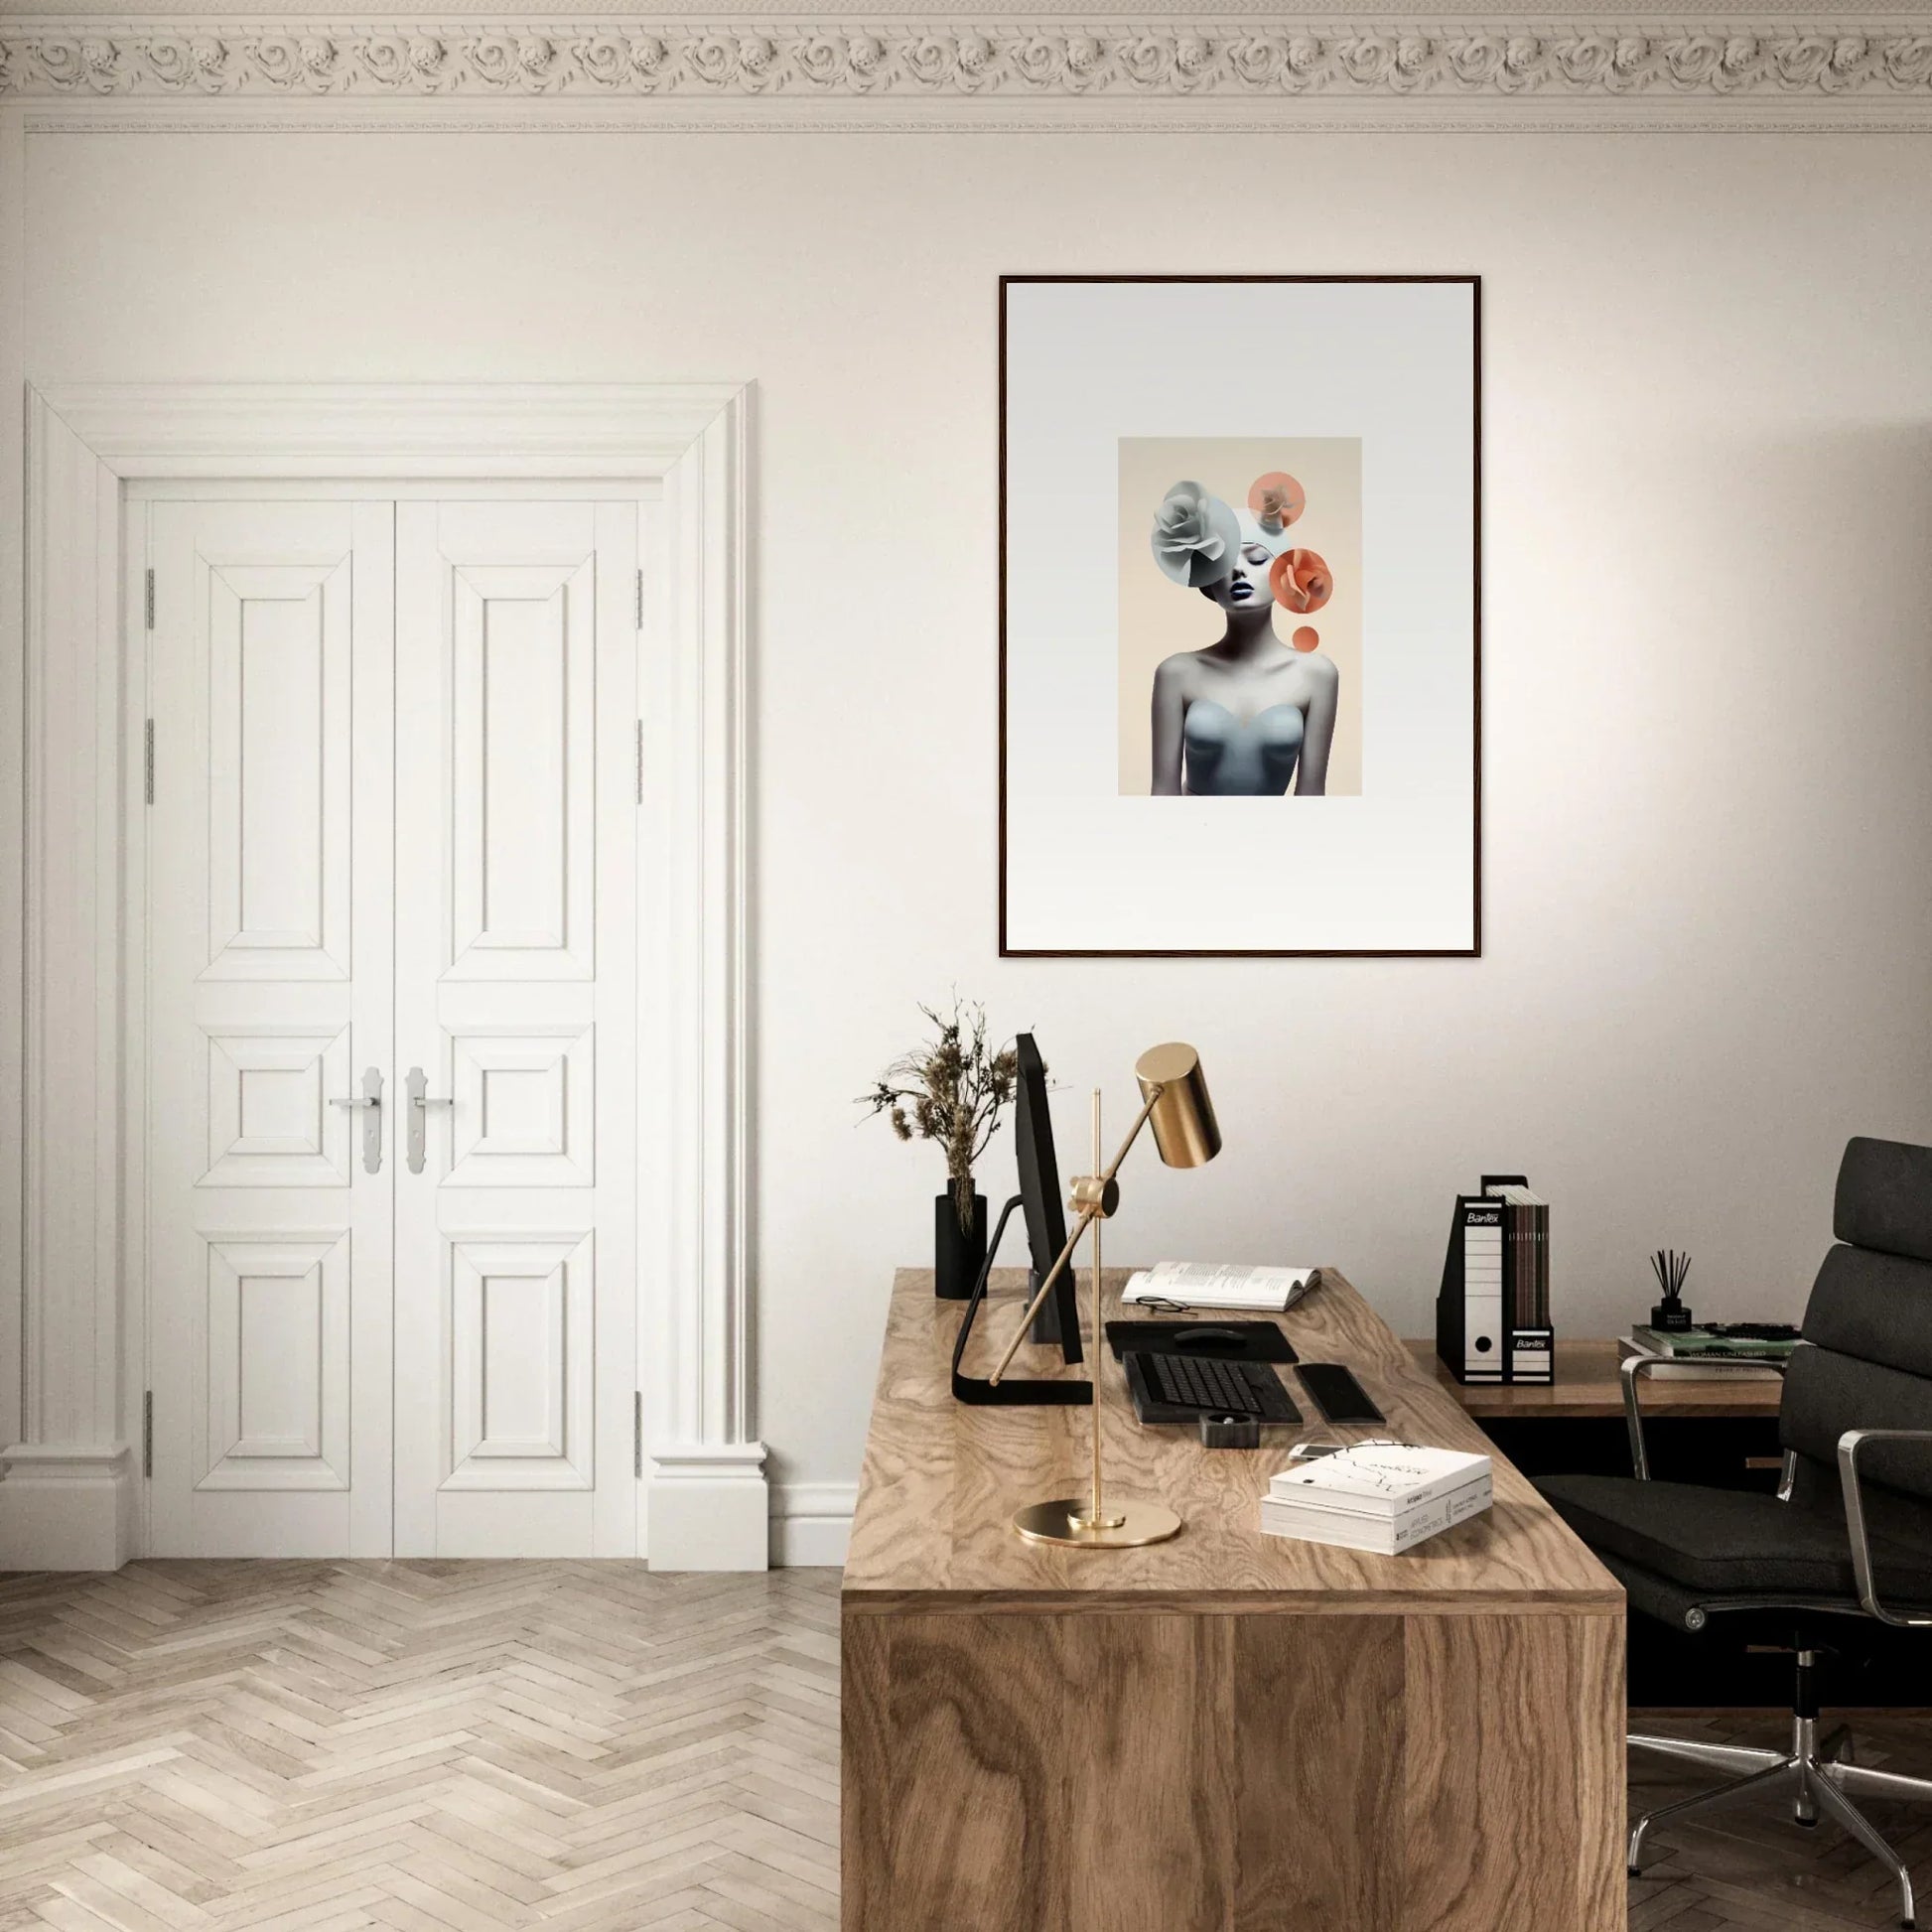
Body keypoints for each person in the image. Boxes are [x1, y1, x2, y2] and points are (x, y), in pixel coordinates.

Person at [1147, 482, 1337, 797]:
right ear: (1208, 584)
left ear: (1284, 574)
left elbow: (1312, 796)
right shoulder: (1176, 673)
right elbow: (1162, 792)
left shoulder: (1317, 675)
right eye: (1224, 565)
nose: (1239, 572)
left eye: (1257, 559)